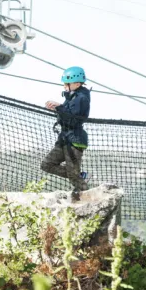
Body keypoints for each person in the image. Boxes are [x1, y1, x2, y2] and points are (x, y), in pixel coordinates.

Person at [41, 66, 91, 201]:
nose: (64, 86)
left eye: (67, 84)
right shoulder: (72, 96)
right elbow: (67, 114)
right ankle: (79, 175)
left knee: (74, 177)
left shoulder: (81, 98)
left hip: (74, 141)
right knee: (46, 164)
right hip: (64, 139)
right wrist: (58, 107)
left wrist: (59, 107)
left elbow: (73, 119)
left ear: (77, 84)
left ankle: (89, 197)